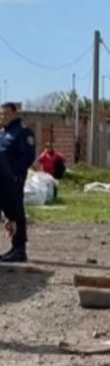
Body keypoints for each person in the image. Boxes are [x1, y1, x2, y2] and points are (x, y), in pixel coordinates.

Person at [0, 102, 35, 263]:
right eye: (2, 114)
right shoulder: (3, 132)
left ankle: (19, 248)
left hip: (14, 178)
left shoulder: (22, 131)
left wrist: (14, 173)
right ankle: (14, 248)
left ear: (14, 114)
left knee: (17, 210)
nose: (4, 117)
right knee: (8, 212)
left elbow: (28, 156)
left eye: (7, 114)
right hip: (2, 179)